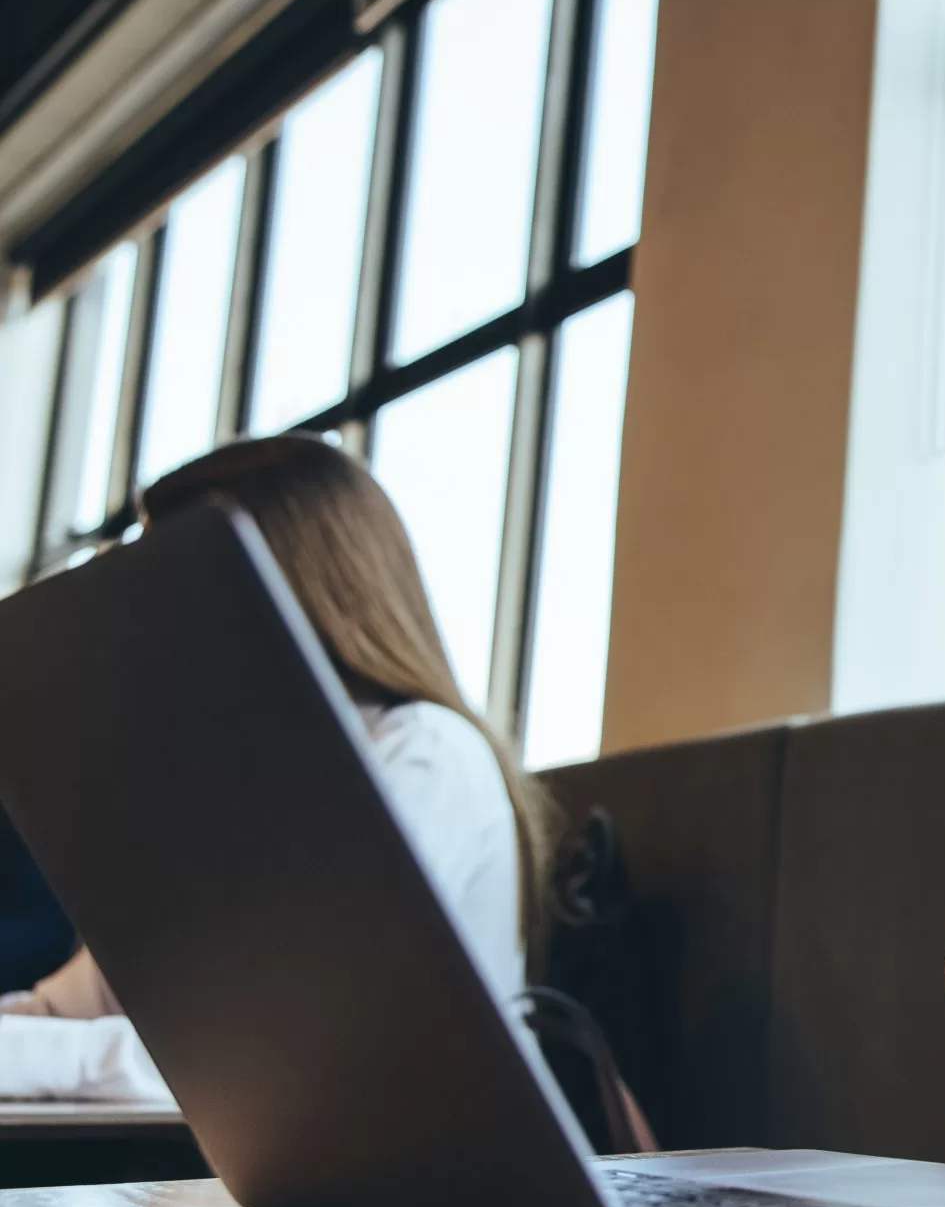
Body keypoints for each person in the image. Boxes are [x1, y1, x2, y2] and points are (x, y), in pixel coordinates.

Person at [0, 434, 550, 1098]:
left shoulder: (423, 753)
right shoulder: (220, 786)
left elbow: (275, 1061)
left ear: (294, 583)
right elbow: (68, 1009)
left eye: (170, 580)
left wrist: (37, 1053)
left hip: (429, 1183)